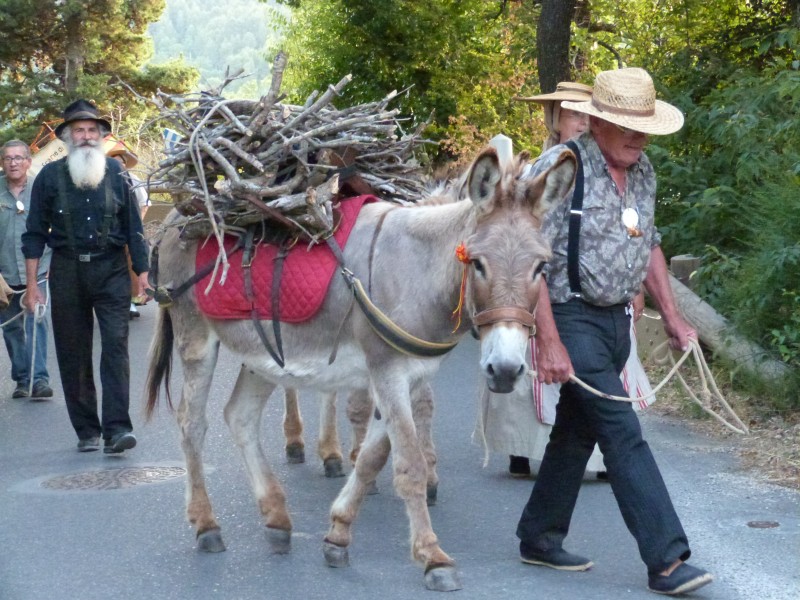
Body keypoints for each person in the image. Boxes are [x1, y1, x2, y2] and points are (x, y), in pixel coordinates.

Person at [515, 68, 713, 596]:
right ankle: (667, 560)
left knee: (577, 431)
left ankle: (538, 536)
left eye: (643, 125)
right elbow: (527, 259)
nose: (637, 135)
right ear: (598, 121)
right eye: (626, 124)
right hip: (570, 315)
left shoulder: (643, 171)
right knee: (621, 431)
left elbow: (648, 244)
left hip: (615, 321)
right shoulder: (559, 167)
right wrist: (548, 339)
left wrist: (672, 316)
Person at [482, 82, 654, 479]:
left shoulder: (626, 172)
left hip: (602, 307)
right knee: (531, 377)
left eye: (583, 114)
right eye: (572, 114)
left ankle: (549, 517)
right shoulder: (540, 171)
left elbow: (633, 235)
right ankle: (522, 449)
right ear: (556, 118)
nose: (579, 121)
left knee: (586, 402)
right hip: (549, 297)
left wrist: (637, 285)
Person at [22, 99, 150, 454]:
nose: (86, 135)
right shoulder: (50, 176)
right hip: (66, 270)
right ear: (67, 136)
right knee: (73, 353)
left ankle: (118, 429)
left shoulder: (118, 173)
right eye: (79, 129)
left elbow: (134, 229)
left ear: (102, 135)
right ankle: (87, 430)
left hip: (110, 271)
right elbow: (33, 233)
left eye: (92, 129)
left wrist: (142, 273)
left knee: (116, 348)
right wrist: (33, 287)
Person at [0, 140, 52, 399]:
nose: (13, 162)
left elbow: (55, 227)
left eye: (19, 158)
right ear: (2, 162)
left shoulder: (41, 189)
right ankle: (22, 378)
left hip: (39, 270)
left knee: (37, 323)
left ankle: (40, 379)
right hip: (4, 275)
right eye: (8, 158)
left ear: (28, 162)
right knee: (10, 329)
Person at [106, 143, 150, 319]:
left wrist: (134, 225)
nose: (118, 164)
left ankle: (133, 301)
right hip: (111, 233)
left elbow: (144, 204)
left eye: (120, 161)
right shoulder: (103, 179)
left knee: (132, 267)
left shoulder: (133, 179)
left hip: (130, 231)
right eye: (113, 160)